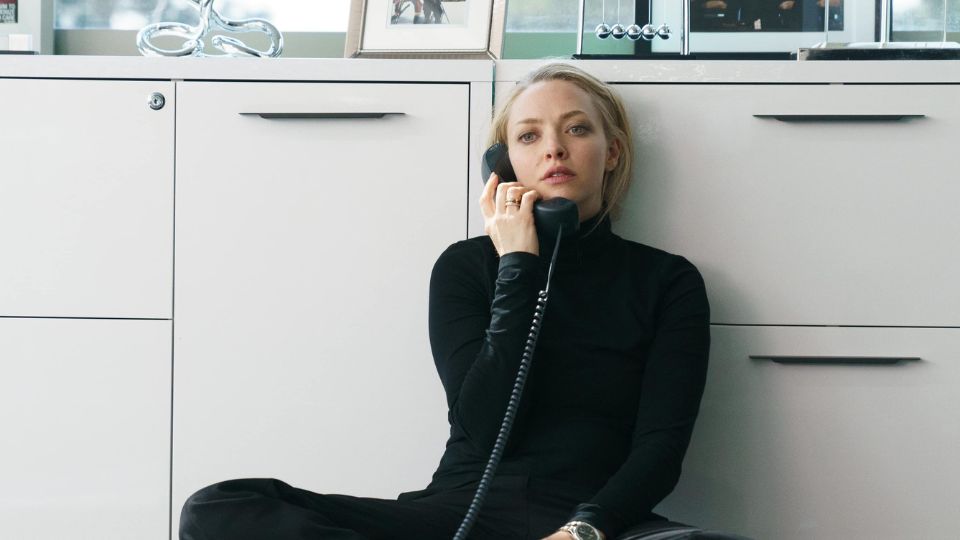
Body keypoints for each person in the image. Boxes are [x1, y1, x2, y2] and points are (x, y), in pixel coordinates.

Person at [178, 62, 711, 540]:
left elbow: (660, 451)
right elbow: (485, 425)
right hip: (460, 510)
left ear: (612, 150)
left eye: (576, 128)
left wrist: (582, 531)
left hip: (593, 519)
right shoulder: (467, 266)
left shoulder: (668, 281)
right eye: (529, 136)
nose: (554, 148)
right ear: (504, 165)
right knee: (218, 509)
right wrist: (517, 265)